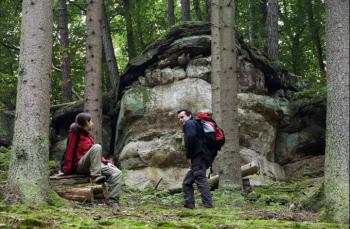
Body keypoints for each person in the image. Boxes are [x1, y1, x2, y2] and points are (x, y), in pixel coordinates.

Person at [60, 112, 123, 210]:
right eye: (91, 121)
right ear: (86, 122)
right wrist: (66, 169)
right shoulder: (74, 133)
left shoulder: (88, 137)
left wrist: (108, 163)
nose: (93, 123)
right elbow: (69, 151)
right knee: (97, 147)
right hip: (80, 166)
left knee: (117, 173)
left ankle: (113, 202)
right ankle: (96, 176)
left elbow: (96, 156)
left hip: (93, 166)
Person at [177, 109, 213, 209]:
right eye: (179, 118)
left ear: (189, 116)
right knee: (187, 182)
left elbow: (190, 138)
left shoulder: (190, 123)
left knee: (200, 179)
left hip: (199, 156)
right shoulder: (195, 124)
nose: (180, 119)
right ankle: (189, 206)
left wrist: (189, 157)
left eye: (182, 117)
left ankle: (208, 207)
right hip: (203, 156)